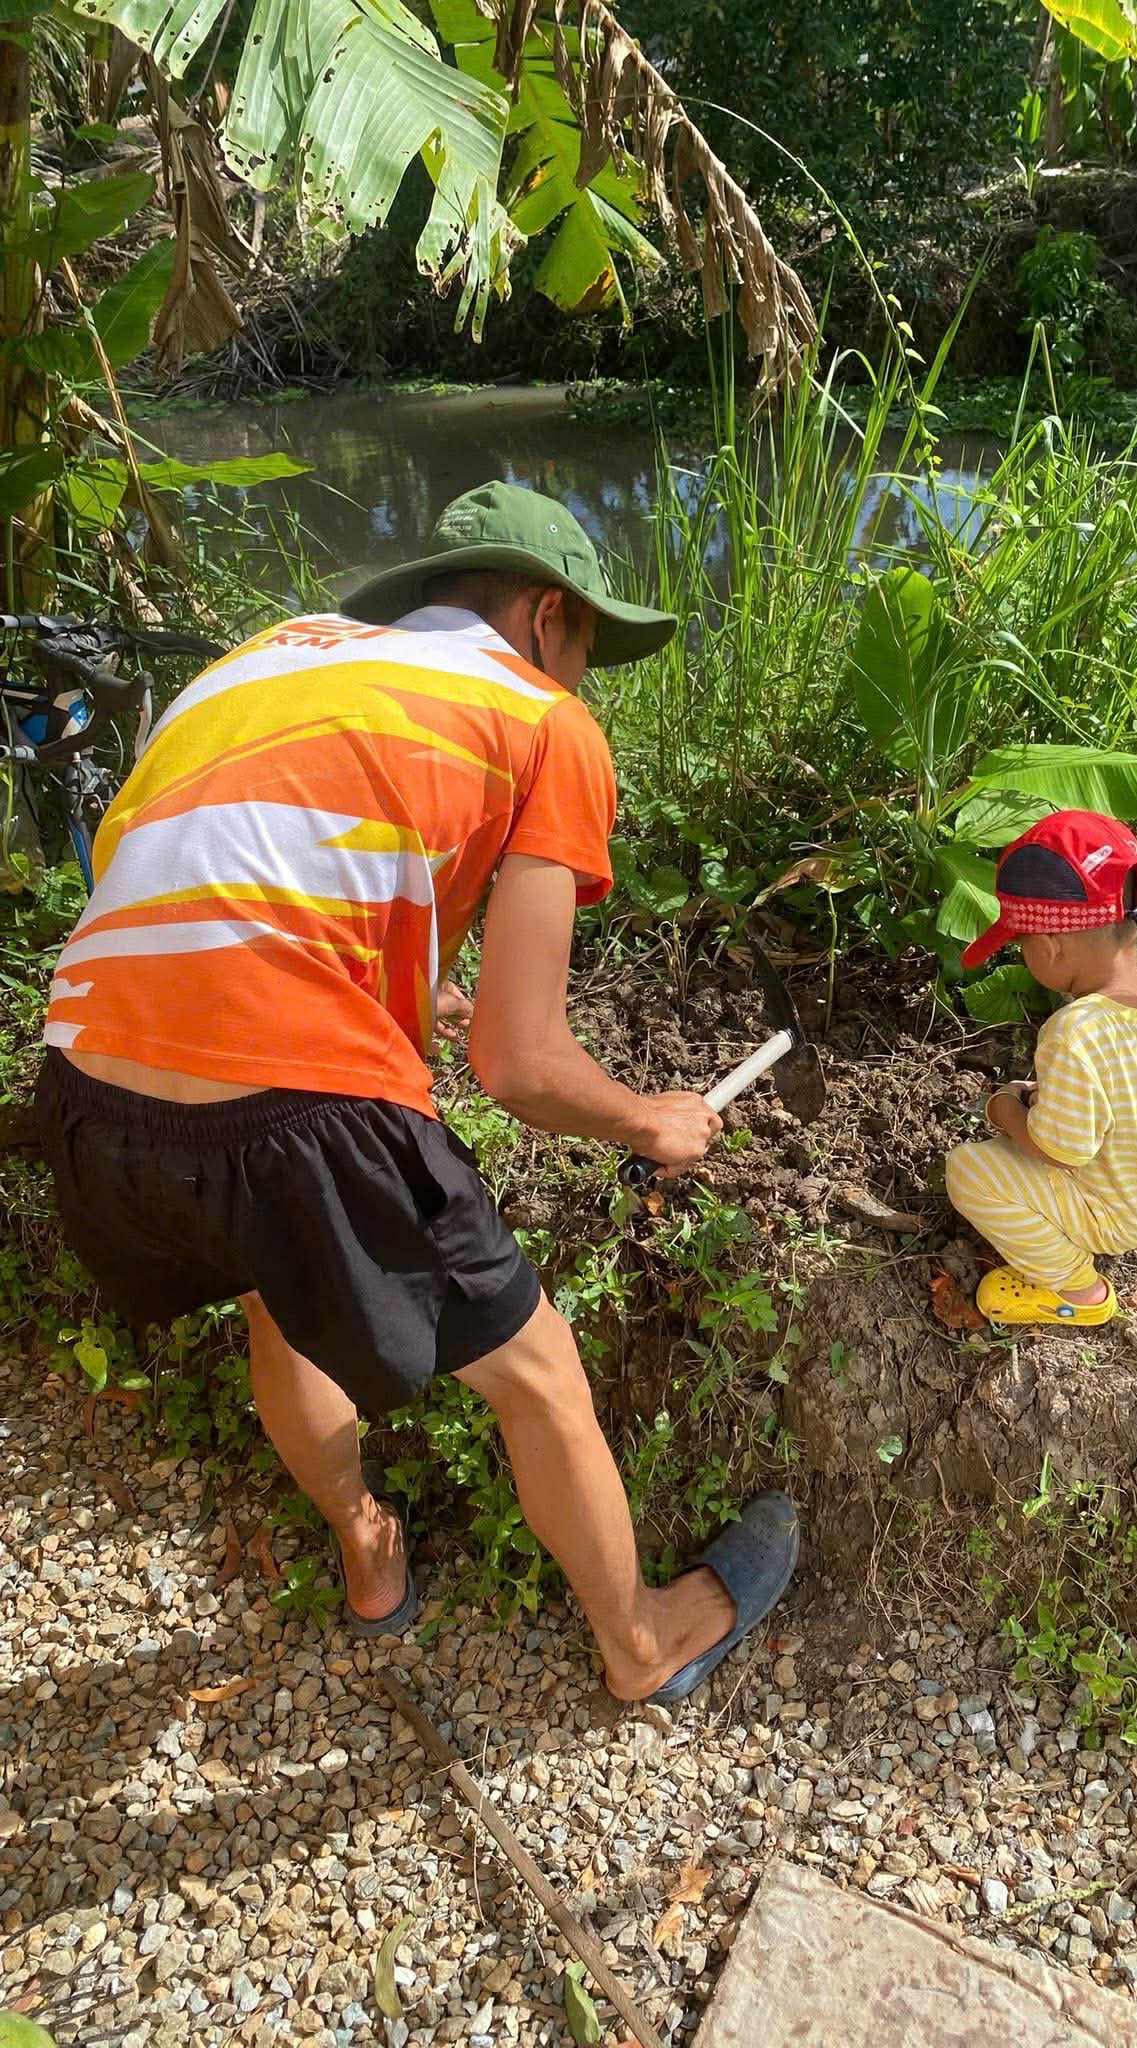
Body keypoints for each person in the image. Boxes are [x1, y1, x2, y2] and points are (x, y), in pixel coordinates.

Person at [34, 480, 798, 1702]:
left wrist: (405, 986)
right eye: (590, 647)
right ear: (549, 617)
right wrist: (651, 1117)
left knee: (279, 1297)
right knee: (536, 1369)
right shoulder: (546, 719)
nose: (584, 677)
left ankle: (369, 1555)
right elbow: (522, 1065)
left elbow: (229, 880)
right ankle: (642, 1642)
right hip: (290, 1104)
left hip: (80, 1091)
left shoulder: (271, 658)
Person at [944, 811, 1137, 1327]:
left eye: (1021, 944)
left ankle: (1079, 1291)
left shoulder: (1073, 1031)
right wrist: (1044, 1095)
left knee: (969, 1170)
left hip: (1119, 1212)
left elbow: (1060, 1151)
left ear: (1051, 946)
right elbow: (1122, 1084)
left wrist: (1005, 1110)